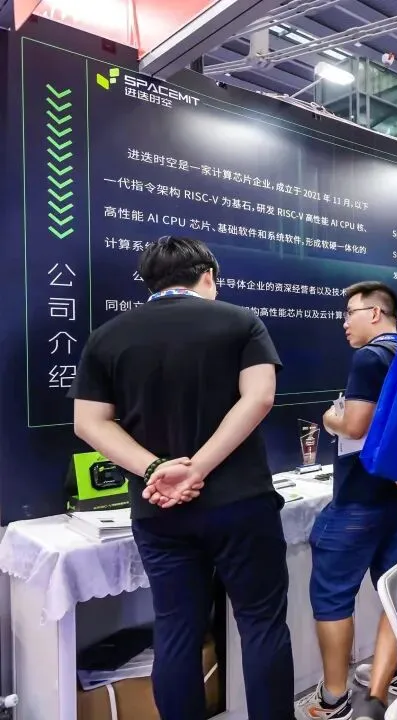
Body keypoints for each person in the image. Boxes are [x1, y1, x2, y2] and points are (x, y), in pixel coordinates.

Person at [70, 236, 293, 720]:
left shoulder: (106, 337)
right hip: (241, 502)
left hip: (158, 509)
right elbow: (259, 397)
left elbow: (88, 422)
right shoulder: (240, 322)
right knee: (261, 623)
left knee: (175, 630)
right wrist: (199, 467)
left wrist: (157, 469)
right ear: (207, 276)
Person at [295, 282, 397, 720]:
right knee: (395, 591)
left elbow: (357, 425)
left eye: (350, 313)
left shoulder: (369, 357)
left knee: (331, 595)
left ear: (375, 313)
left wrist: (331, 417)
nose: (344, 323)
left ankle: (334, 699)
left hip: (358, 497)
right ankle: (394, 674)